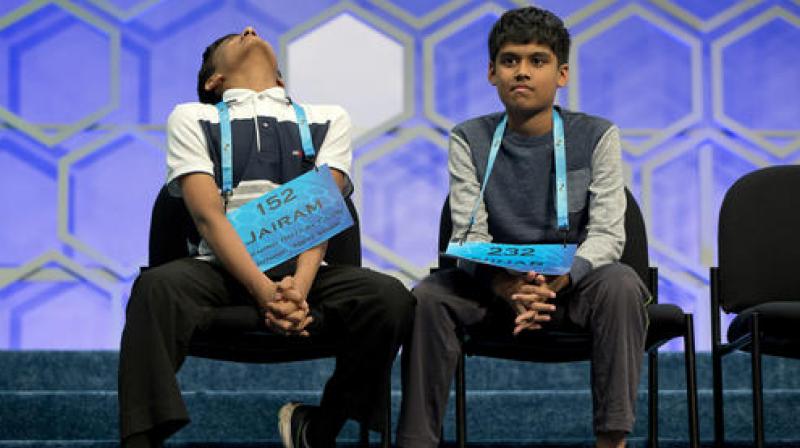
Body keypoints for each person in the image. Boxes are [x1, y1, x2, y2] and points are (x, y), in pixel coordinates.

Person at [118, 26, 415, 448]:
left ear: (280, 79)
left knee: (391, 298)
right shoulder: (192, 117)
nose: (250, 30)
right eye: (231, 38)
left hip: (305, 268)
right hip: (220, 269)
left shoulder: (328, 117)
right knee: (154, 288)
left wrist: (299, 289)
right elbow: (207, 218)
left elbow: (322, 210)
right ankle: (142, 440)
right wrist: (264, 292)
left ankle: (320, 427)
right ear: (212, 81)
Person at [396, 7, 649, 448]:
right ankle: (417, 442)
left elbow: (609, 233)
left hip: (572, 285)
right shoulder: (467, 138)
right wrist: (509, 287)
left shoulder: (598, 135)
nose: (522, 73)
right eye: (510, 61)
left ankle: (612, 441)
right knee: (428, 297)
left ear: (562, 73)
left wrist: (557, 282)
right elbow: (469, 236)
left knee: (623, 283)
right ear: (492, 73)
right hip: (494, 288)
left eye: (538, 60)